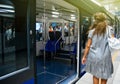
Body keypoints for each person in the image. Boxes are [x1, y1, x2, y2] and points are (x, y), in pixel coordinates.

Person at [82, 12, 114, 84]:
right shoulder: (109, 29)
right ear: (105, 20)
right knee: (104, 76)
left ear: (95, 21)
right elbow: (113, 42)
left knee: (96, 75)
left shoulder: (92, 31)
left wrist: (84, 57)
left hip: (94, 56)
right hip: (105, 57)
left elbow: (88, 45)